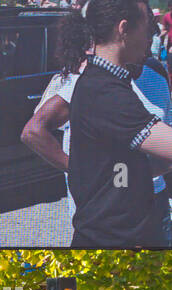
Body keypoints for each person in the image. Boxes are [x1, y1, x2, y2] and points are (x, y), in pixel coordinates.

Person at [66, 0, 172, 249]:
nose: (151, 39)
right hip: (110, 244)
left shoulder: (106, 82)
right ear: (123, 29)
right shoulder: (104, 92)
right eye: (147, 30)